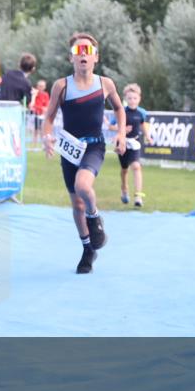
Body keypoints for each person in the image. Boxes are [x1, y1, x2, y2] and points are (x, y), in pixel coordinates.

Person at [42, 32, 126, 274]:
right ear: (71, 58)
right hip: (70, 148)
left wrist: (120, 133)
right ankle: (88, 248)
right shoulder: (62, 85)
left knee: (83, 186)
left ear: (95, 58)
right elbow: (48, 118)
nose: (82, 55)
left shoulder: (105, 84)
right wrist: (47, 136)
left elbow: (119, 109)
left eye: (87, 51)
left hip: (94, 146)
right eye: (78, 51)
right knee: (77, 204)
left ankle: (95, 218)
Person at [107, 83, 150, 207]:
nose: (132, 100)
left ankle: (138, 196)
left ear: (139, 98)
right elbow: (110, 126)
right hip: (122, 143)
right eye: (130, 98)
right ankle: (124, 189)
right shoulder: (121, 111)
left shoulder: (142, 113)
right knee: (124, 170)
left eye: (135, 98)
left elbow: (142, 124)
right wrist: (122, 129)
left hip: (135, 143)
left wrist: (147, 136)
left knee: (136, 166)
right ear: (125, 99)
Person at [29, 79, 49, 146]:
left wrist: (44, 109)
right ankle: (34, 144)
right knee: (36, 130)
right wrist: (41, 108)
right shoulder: (35, 93)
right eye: (40, 86)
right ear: (37, 86)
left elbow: (47, 105)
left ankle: (43, 144)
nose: (41, 87)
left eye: (42, 86)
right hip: (36, 114)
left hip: (43, 115)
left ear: (45, 87)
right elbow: (32, 104)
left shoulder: (46, 94)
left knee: (42, 131)